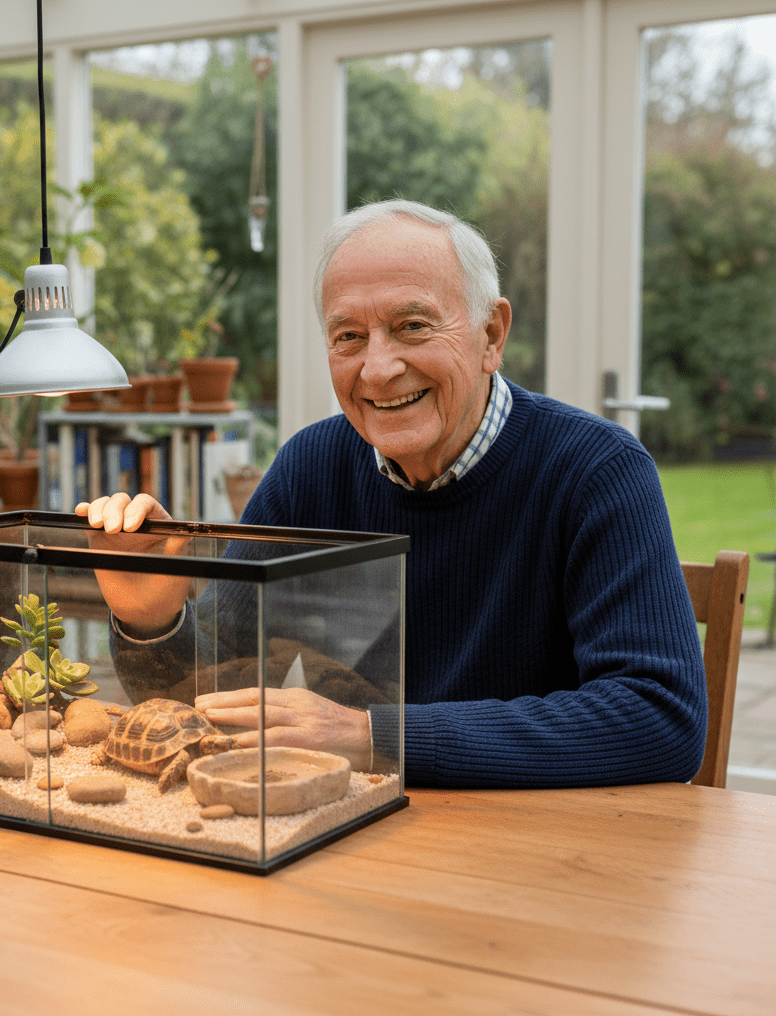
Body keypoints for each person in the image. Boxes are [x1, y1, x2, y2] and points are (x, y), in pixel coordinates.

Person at [77, 199, 707, 788]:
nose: (377, 370)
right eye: (348, 336)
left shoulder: (597, 470)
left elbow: (660, 718)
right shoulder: (308, 468)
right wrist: (151, 622)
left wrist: (371, 735)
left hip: (532, 845)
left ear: (491, 336)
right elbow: (208, 698)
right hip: (345, 824)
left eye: (412, 326)